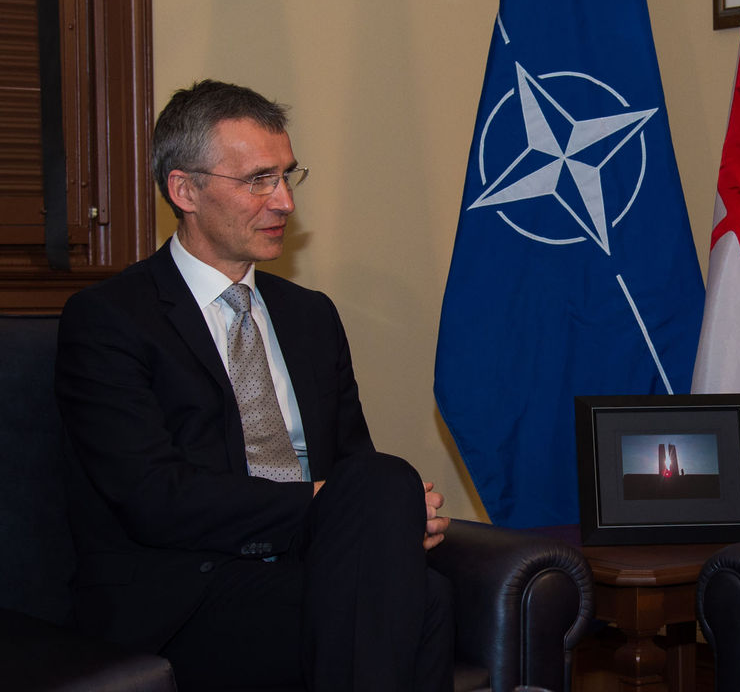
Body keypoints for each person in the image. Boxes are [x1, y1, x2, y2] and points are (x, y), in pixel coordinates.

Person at [55, 79, 453, 691]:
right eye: (257, 180)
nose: (284, 203)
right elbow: (153, 498)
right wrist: (326, 503)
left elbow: (353, 466)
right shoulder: (111, 317)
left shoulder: (309, 315)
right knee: (416, 596)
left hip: (308, 559)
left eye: (287, 176)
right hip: (187, 585)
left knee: (388, 482)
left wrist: (391, 513)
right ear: (184, 189)